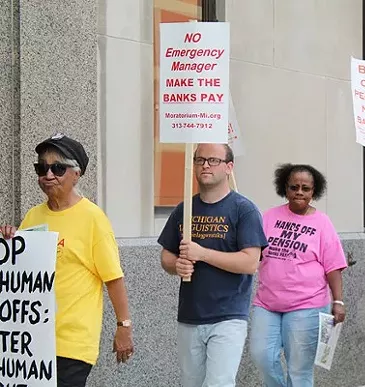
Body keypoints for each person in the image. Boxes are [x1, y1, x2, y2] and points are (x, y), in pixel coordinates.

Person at [0, 133, 133, 387]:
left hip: (72, 345)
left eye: (58, 168)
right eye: (42, 167)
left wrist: (123, 326)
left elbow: (113, 278)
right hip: (33, 342)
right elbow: (21, 271)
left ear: (76, 173)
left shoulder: (93, 218)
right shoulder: (33, 216)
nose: (48, 175)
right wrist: (10, 241)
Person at [157, 143, 268, 387]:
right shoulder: (184, 209)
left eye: (213, 160)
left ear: (229, 167)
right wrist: (177, 265)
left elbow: (250, 262)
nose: (205, 165)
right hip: (190, 315)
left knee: (219, 383)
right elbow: (166, 256)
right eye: (200, 160)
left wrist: (203, 253)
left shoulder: (244, 210)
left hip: (228, 316)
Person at [250, 163, 347, 387]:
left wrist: (338, 301)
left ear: (314, 191)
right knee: (262, 356)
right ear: (285, 188)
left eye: (306, 188)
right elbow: (253, 254)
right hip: (267, 303)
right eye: (294, 187)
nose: (299, 192)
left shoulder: (322, 223)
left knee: (299, 370)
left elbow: (333, 266)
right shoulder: (269, 217)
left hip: (307, 305)